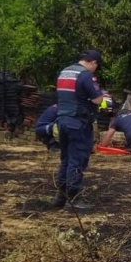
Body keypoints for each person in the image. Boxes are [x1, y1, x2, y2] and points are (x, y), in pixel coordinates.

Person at [51, 49, 109, 211]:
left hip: (62, 121)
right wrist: (101, 96)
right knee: (77, 160)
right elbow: (97, 100)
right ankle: (73, 199)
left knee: (66, 159)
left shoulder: (64, 72)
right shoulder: (85, 75)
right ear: (93, 62)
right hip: (78, 123)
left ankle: (60, 197)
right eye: (96, 66)